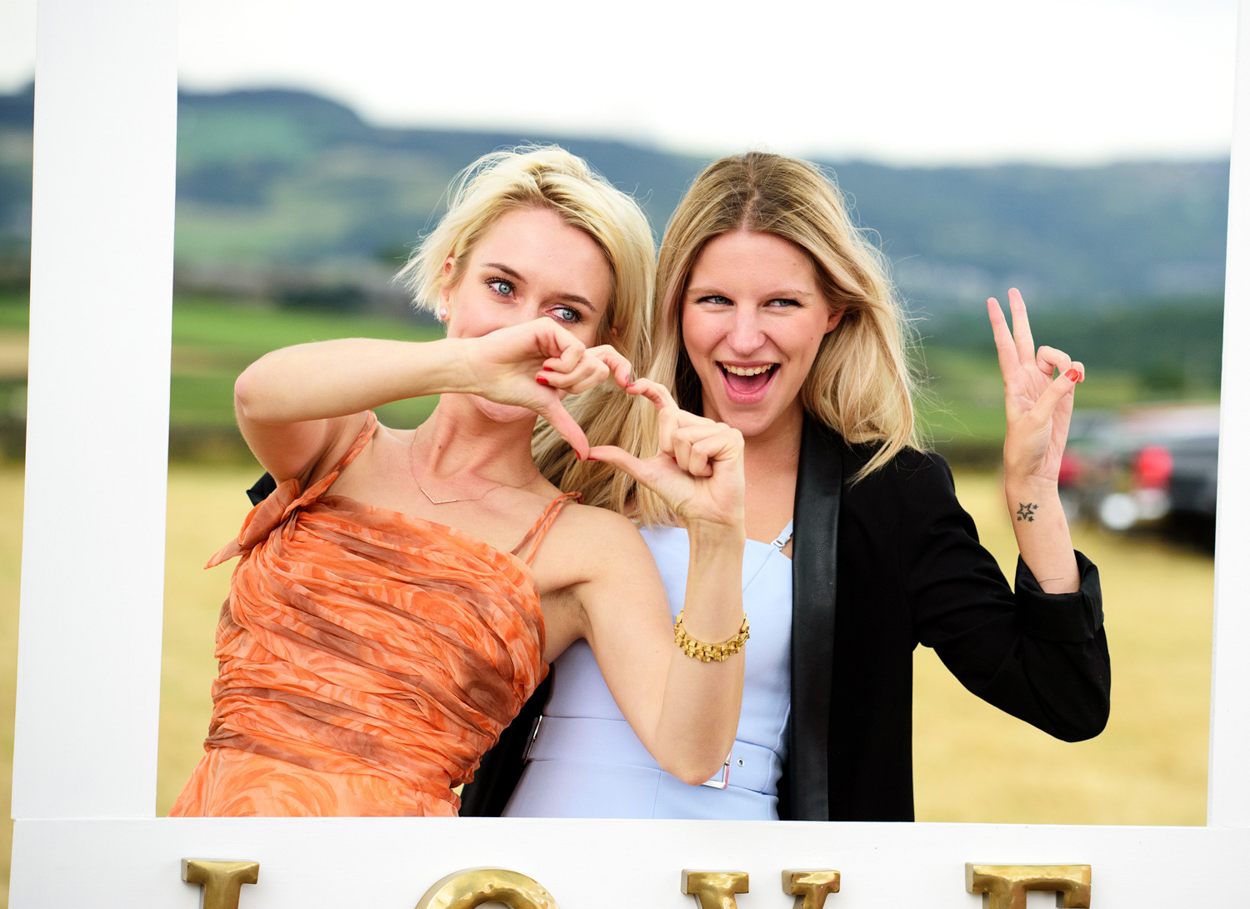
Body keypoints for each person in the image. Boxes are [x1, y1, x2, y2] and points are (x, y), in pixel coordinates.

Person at [460, 151, 1111, 821]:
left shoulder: (889, 497)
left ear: (833, 309)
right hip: (539, 857)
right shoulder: (580, 455)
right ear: (676, 307)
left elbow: (1065, 699)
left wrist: (1032, 490)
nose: (745, 337)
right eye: (714, 300)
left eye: (781, 303)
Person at [169, 147, 749, 817]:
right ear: (448, 285)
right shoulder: (339, 445)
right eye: (501, 288)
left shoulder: (587, 546)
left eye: (567, 313)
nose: (528, 330)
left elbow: (692, 751)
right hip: (211, 857)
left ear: (601, 339)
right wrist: (466, 362)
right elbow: (257, 393)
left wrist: (718, 536)